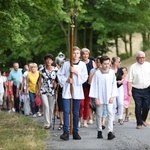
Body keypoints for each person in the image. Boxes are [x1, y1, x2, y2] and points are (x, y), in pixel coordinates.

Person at [57, 46, 88, 140]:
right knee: (66, 111)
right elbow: (59, 74)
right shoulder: (66, 64)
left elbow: (85, 77)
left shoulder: (82, 64)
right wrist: (66, 80)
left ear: (80, 55)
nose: (75, 55)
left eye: (77, 53)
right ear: (71, 54)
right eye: (74, 53)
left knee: (75, 112)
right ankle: (65, 132)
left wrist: (76, 72)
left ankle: (75, 131)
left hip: (77, 89)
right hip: (67, 89)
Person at [89, 55, 118, 140]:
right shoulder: (97, 74)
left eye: (108, 64)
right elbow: (94, 86)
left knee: (110, 113)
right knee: (99, 114)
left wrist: (113, 96)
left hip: (109, 97)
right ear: (101, 64)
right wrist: (96, 98)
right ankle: (99, 130)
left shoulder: (112, 73)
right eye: (104, 64)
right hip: (99, 97)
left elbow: (114, 85)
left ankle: (110, 132)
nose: (106, 66)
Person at [127, 51, 150, 129]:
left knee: (146, 106)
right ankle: (139, 123)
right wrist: (129, 90)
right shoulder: (133, 67)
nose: (142, 59)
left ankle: (143, 119)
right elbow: (129, 80)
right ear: (137, 58)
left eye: (143, 57)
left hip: (147, 89)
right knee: (138, 106)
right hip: (136, 90)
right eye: (140, 58)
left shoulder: (148, 65)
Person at [37, 54, 58, 129]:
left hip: (52, 90)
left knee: (51, 107)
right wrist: (38, 91)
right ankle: (47, 123)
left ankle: (50, 120)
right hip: (44, 90)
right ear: (45, 60)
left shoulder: (56, 70)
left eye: (50, 59)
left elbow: (57, 81)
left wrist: (56, 89)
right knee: (46, 106)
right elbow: (39, 81)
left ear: (52, 61)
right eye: (47, 59)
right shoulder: (41, 70)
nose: (48, 61)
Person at [79, 48, 96, 127]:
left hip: (88, 86)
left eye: (87, 54)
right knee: (80, 104)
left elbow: (95, 72)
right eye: (84, 54)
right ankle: (79, 119)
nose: (85, 56)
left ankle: (85, 121)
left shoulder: (92, 62)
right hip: (80, 86)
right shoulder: (79, 63)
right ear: (81, 55)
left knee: (86, 104)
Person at [111, 57, 124, 125]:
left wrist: (120, 81)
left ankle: (120, 117)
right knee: (113, 104)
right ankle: (112, 119)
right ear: (115, 62)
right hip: (112, 88)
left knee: (120, 103)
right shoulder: (110, 70)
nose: (120, 63)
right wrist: (114, 82)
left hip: (119, 87)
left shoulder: (120, 70)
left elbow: (122, 78)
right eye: (119, 62)